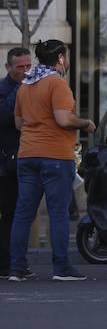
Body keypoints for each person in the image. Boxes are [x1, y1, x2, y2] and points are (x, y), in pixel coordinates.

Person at [8, 40, 95, 282]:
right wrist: (85, 122)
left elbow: (18, 123)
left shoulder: (25, 85)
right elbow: (63, 119)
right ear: (59, 58)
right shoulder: (57, 83)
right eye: (65, 57)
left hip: (27, 155)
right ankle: (62, 268)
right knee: (58, 213)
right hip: (55, 155)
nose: (66, 61)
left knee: (23, 213)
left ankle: (17, 268)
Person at [0, 47, 31, 279]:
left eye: (28, 66)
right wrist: (20, 88)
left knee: (21, 213)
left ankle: (16, 261)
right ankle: (6, 263)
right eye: (20, 67)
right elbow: (4, 117)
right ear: (8, 67)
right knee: (10, 212)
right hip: (7, 161)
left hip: (27, 157)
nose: (25, 71)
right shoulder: (4, 89)